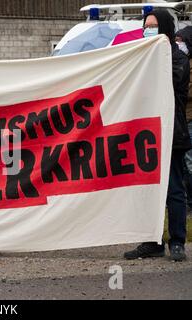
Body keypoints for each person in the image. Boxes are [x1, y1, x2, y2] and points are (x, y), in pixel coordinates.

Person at [124, 9, 191, 262]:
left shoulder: (177, 58)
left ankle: (176, 242)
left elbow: (168, 85)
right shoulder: (143, 57)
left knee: (174, 189)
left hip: (172, 133)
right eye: (146, 25)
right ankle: (152, 241)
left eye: (153, 25)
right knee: (148, 189)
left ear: (164, 28)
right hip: (147, 133)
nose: (148, 29)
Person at [175, 26, 192, 216]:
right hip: (181, 119)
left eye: (182, 40)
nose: (179, 44)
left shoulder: (185, 64)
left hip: (189, 119)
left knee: (189, 163)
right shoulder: (179, 62)